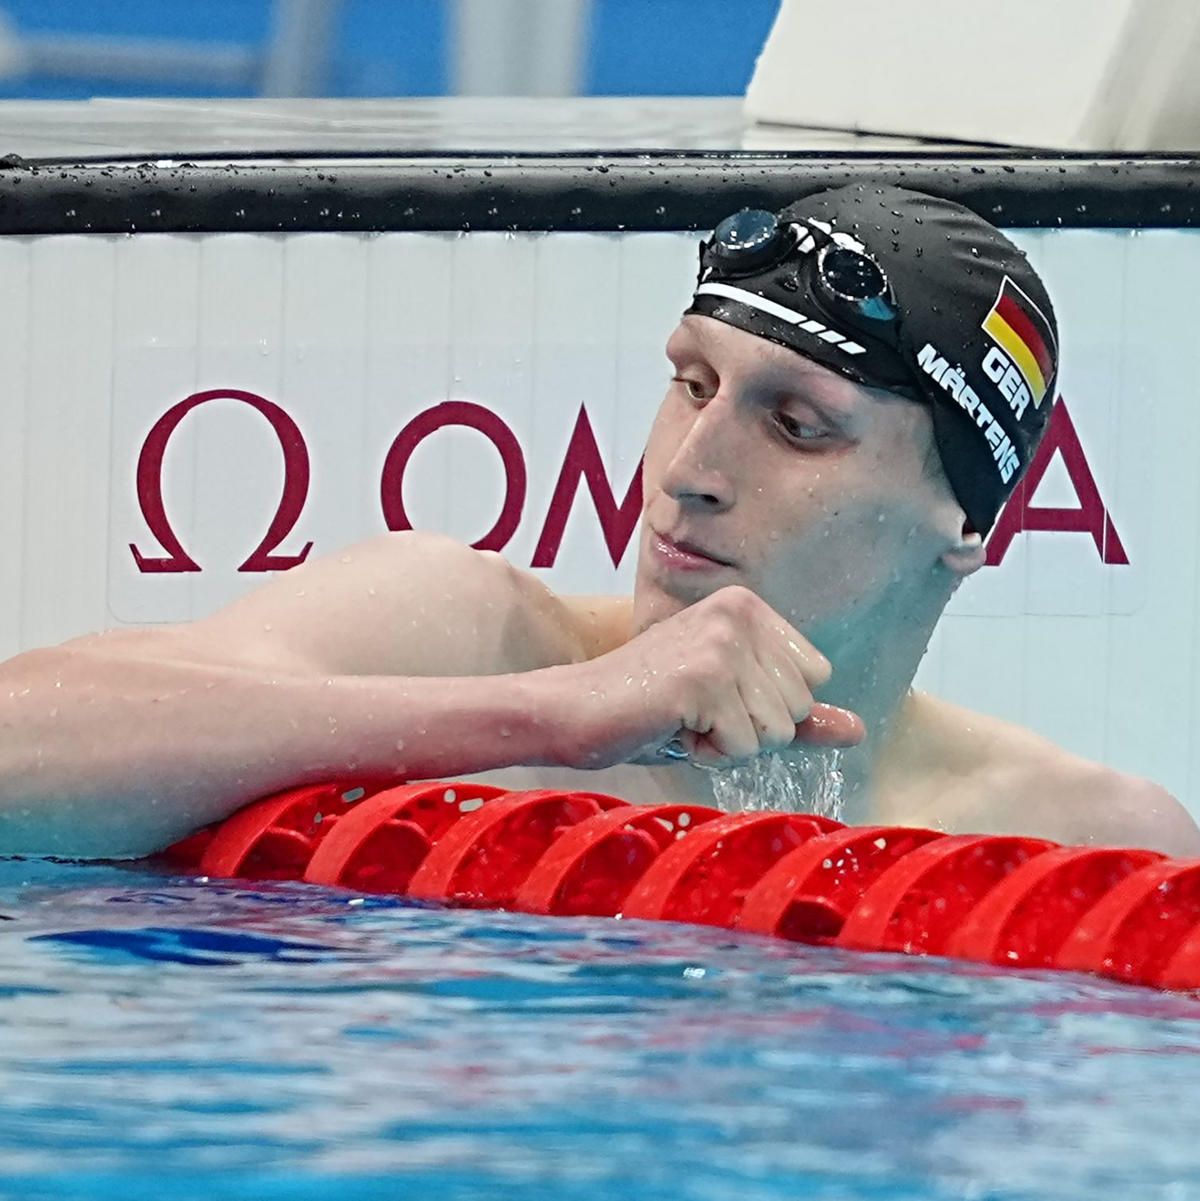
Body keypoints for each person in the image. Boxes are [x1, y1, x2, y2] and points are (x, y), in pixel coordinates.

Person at [1, 184, 1197, 860]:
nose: (690, 471)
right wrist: (549, 717)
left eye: (796, 426)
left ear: (966, 522)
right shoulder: (468, 636)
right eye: (692, 383)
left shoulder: (1081, 840)